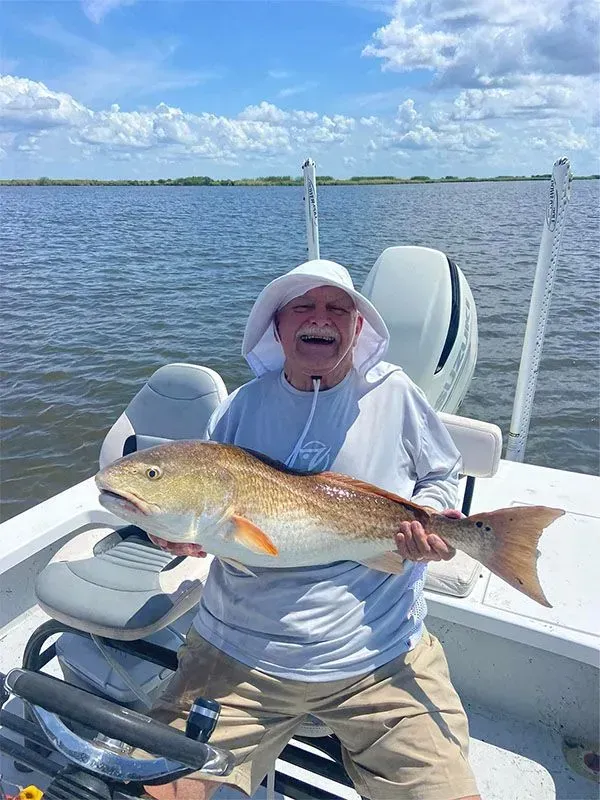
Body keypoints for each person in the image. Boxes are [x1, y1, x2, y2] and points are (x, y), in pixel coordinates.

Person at [144, 259, 481, 800]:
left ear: (357, 327)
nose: (318, 318)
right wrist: (180, 536)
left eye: (337, 308)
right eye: (302, 307)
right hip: (237, 657)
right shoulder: (240, 408)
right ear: (277, 328)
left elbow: (442, 473)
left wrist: (429, 516)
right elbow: (208, 519)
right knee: (160, 790)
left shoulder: (395, 395)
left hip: (382, 658)